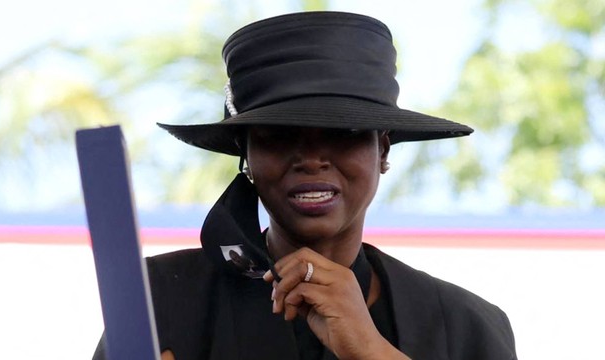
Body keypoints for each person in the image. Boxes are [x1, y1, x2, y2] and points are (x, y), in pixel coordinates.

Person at [93, 11, 517, 360]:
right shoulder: (158, 299)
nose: (312, 158)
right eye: (280, 134)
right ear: (247, 156)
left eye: (344, 131)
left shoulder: (466, 327)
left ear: (383, 149)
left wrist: (369, 349)